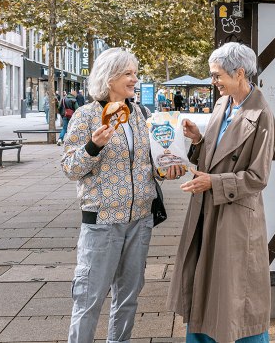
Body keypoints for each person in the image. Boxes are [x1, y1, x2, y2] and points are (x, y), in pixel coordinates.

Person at [61, 48, 183, 343]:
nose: (135, 78)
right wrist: (93, 146)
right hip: (102, 222)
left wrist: (166, 170)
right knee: (88, 300)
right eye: (129, 73)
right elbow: (69, 167)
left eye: (134, 72)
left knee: (127, 299)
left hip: (140, 221)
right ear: (110, 77)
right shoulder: (87, 116)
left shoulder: (140, 115)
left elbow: (147, 165)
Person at [169, 42, 275, 343]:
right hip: (207, 209)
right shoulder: (222, 104)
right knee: (204, 286)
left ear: (239, 72)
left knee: (234, 294)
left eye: (217, 76)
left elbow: (258, 177)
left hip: (234, 217)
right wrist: (198, 140)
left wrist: (213, 183)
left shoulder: (263, 115)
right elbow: (216, 156)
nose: (213, 81)